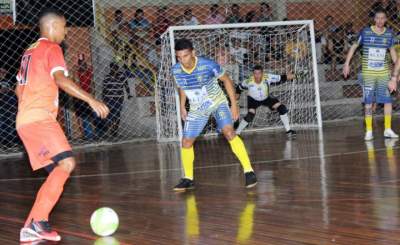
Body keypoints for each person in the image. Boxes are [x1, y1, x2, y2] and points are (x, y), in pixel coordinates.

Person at [16, 9, 109, 242]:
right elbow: (61, 79)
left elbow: (18, 88)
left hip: (25, 121)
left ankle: (31, 225)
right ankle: (38, 222)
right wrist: (91, 99)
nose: (66, 31)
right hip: (39, 119)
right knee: (67, 163)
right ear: (53, 26)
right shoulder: (51, 48)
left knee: (56, 171)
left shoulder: (29, 51)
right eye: (64, 26)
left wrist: (30, 105)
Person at [172, 39, 257, 191]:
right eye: (179, 57)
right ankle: (188, 178)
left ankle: (249, 171)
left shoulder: (208, 65)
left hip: (218, 103)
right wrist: (182, 106)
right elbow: (182, 87)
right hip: (198, 108)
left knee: (229, 132)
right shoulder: (176, 70)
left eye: (185, 56)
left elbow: (227, 81)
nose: (182, 60)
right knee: (186, 142)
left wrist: (234, 104)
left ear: (193, 53)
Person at [343, 8, 398, 141]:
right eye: (377, 18)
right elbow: (354, 46)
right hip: (368, 73)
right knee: (368, 102)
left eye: (382, 18)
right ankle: (368, 131)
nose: (380, 20)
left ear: (386, 19)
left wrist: (397, 70)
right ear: (374, 19)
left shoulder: (389, 34)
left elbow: (392, 51)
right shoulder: (366, 32)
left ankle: (388, 129)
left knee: (387, 101)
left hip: (384, 73)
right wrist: (346, 63)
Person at [235, 65, 296, 137]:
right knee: (250, 115)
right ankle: (237, 133)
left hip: (266, 98)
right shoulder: (248, 81)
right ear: (253, 74)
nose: (257, 75)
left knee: (282, 108)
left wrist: (294, 75)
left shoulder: (267, 77)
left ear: (262, 73)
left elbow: (282, 77)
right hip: (253, 99)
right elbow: (238, 88)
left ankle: (288, 131)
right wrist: (236, 98)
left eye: (259, 73)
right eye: (255, 73)